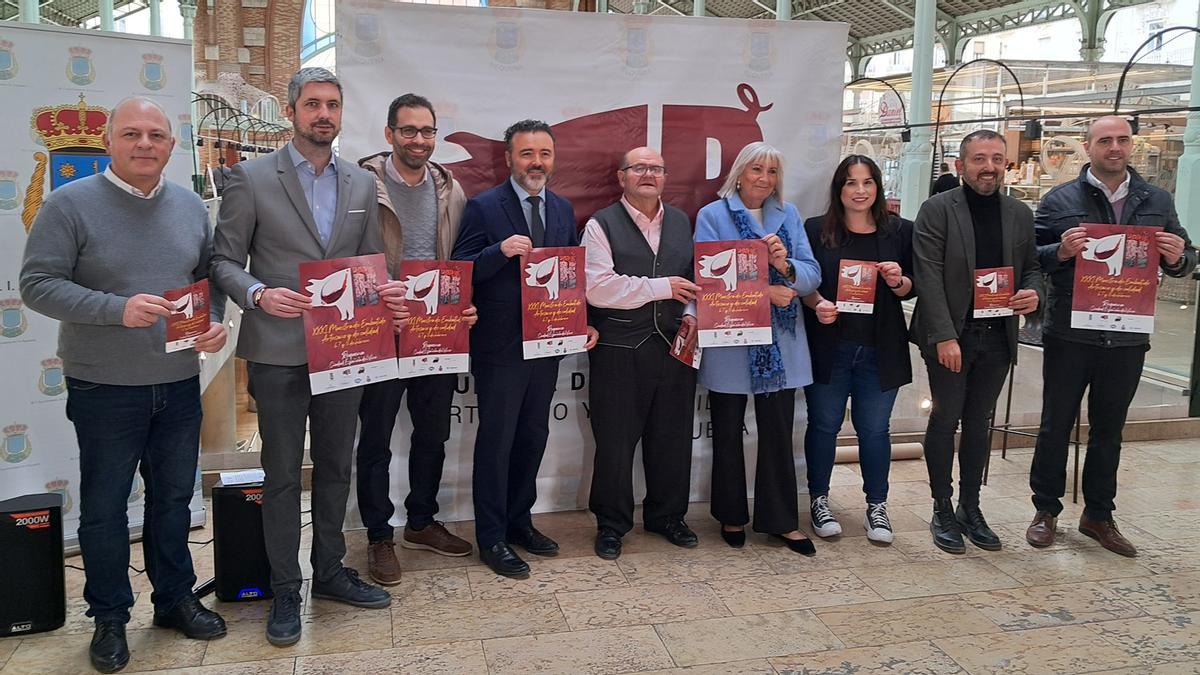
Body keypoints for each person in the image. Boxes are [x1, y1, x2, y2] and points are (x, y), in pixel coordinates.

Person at [21, 97, 229, 674]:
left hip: (178, 382)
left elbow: (206, 276)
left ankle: (173, 601)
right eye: (132, 134)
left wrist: (213, 323)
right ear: (109, 142)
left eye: (156, 136)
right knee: (106, 509)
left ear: (170, 145)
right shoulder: (69, 205)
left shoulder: (190, 207)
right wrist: (116, 309)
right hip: (104, 386)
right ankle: (110, 617)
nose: (144, 144)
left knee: (173, 502)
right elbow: (37, 284)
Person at [211, 68, 408, 647]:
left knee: (336, 465)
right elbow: (223, 262)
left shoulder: (358, 182)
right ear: (292, 111)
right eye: (313, 104)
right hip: (276, 351)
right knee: (278, 475)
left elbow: (369, 259)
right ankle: (285, 587)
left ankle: (328, 571)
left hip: (344, 348)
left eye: (333, 105)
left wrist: (390, 289)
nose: (324, 114)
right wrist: (257, 293)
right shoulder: (248, 179)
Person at [1025, 115, 1196, 556]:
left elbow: (1184, 255)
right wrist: (1060, 250)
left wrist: (1178, 258)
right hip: (1071, 331)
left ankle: (1098, 515)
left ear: (1131, 146)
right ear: (1088, 147)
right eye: (1105, 140)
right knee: (1055, 424)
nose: (1114, 147)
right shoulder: (1059, 200)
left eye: (1122, 139)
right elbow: (1032, 258)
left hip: (1127, 337)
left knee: (1109, 429)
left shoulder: (1156, 199)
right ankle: (1045, 509)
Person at [451, 119, 598, 578]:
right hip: (499, 346)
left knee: (533, 437)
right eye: (527, 154)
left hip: (547, 344)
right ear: (510, 158)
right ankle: (491, 537)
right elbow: (459, 271)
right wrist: (499, 251)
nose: (537, 162)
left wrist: (581, 323)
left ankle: (520, 522)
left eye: (544, 154)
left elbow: (568, 276)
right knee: (496, 442)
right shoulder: (483, 207)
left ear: (553, 159)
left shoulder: (562, 208)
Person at [354, 93, 476, 585]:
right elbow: (343, 258)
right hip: (380, 332)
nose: (419, 140)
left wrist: (466, 305)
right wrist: (375, 307)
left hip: (436, 334)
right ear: (389, 135)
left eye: (427, 131)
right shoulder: (360, 185)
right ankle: (379, 534)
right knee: (377, 440)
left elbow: (460, 260)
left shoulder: (452, 190)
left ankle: (421, 522)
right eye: (408, 131)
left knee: (433, 434)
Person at [910, 129, 1042, 555]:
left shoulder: (1019, 213)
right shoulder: (937, 210)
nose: (989, 167)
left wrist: (1033, 292)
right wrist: (945, 335)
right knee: (946, 419)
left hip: (998, 335)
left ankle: (971, 506)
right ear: (960, 165)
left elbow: (1033, 267)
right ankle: (942, 507)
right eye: (979, 159)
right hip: (953, 335)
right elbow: (927, 274)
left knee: (980, 423)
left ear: (1007, 164)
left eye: (997, 159)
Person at [695, 142, 822, 555]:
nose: (764, 179)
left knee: (777, 432)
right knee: (728, 431)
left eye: (771, 172)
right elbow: (710, 281)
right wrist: (765, 291)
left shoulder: (790, 216)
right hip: (730, 338)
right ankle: (731, 514)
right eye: (756, 170)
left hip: (781, 344)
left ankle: (781, 520)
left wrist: (784, 266)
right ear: (739, 173)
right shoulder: (712, 216)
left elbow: (810, 276)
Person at [584, 147, 701, 560]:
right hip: (618, 349)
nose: (648, 174)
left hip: (675, 347)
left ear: (666, 177)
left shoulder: (683, 222)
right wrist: (661, 288)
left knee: (671, 439)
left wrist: (690, 314)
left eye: (656, 168)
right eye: (639, 168)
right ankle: (612, 524)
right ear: (621, 177)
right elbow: (597, 288)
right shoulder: (600, 224)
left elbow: (695, 281)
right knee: (615, 442)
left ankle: (667, 516)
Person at [800, 154, 915, 544]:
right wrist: (818, 304)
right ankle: (819, 500)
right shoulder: (816, 230)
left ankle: (877, 506)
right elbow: (804, 282)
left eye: (868, 183)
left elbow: (912, 288)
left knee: (875, 430)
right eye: (851, 183)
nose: (860, 191)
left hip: (880, 349)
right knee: (823, 427)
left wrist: (899, 280)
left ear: (878, 188)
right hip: (831, 347)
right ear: (839, 189)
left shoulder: (900, 231)